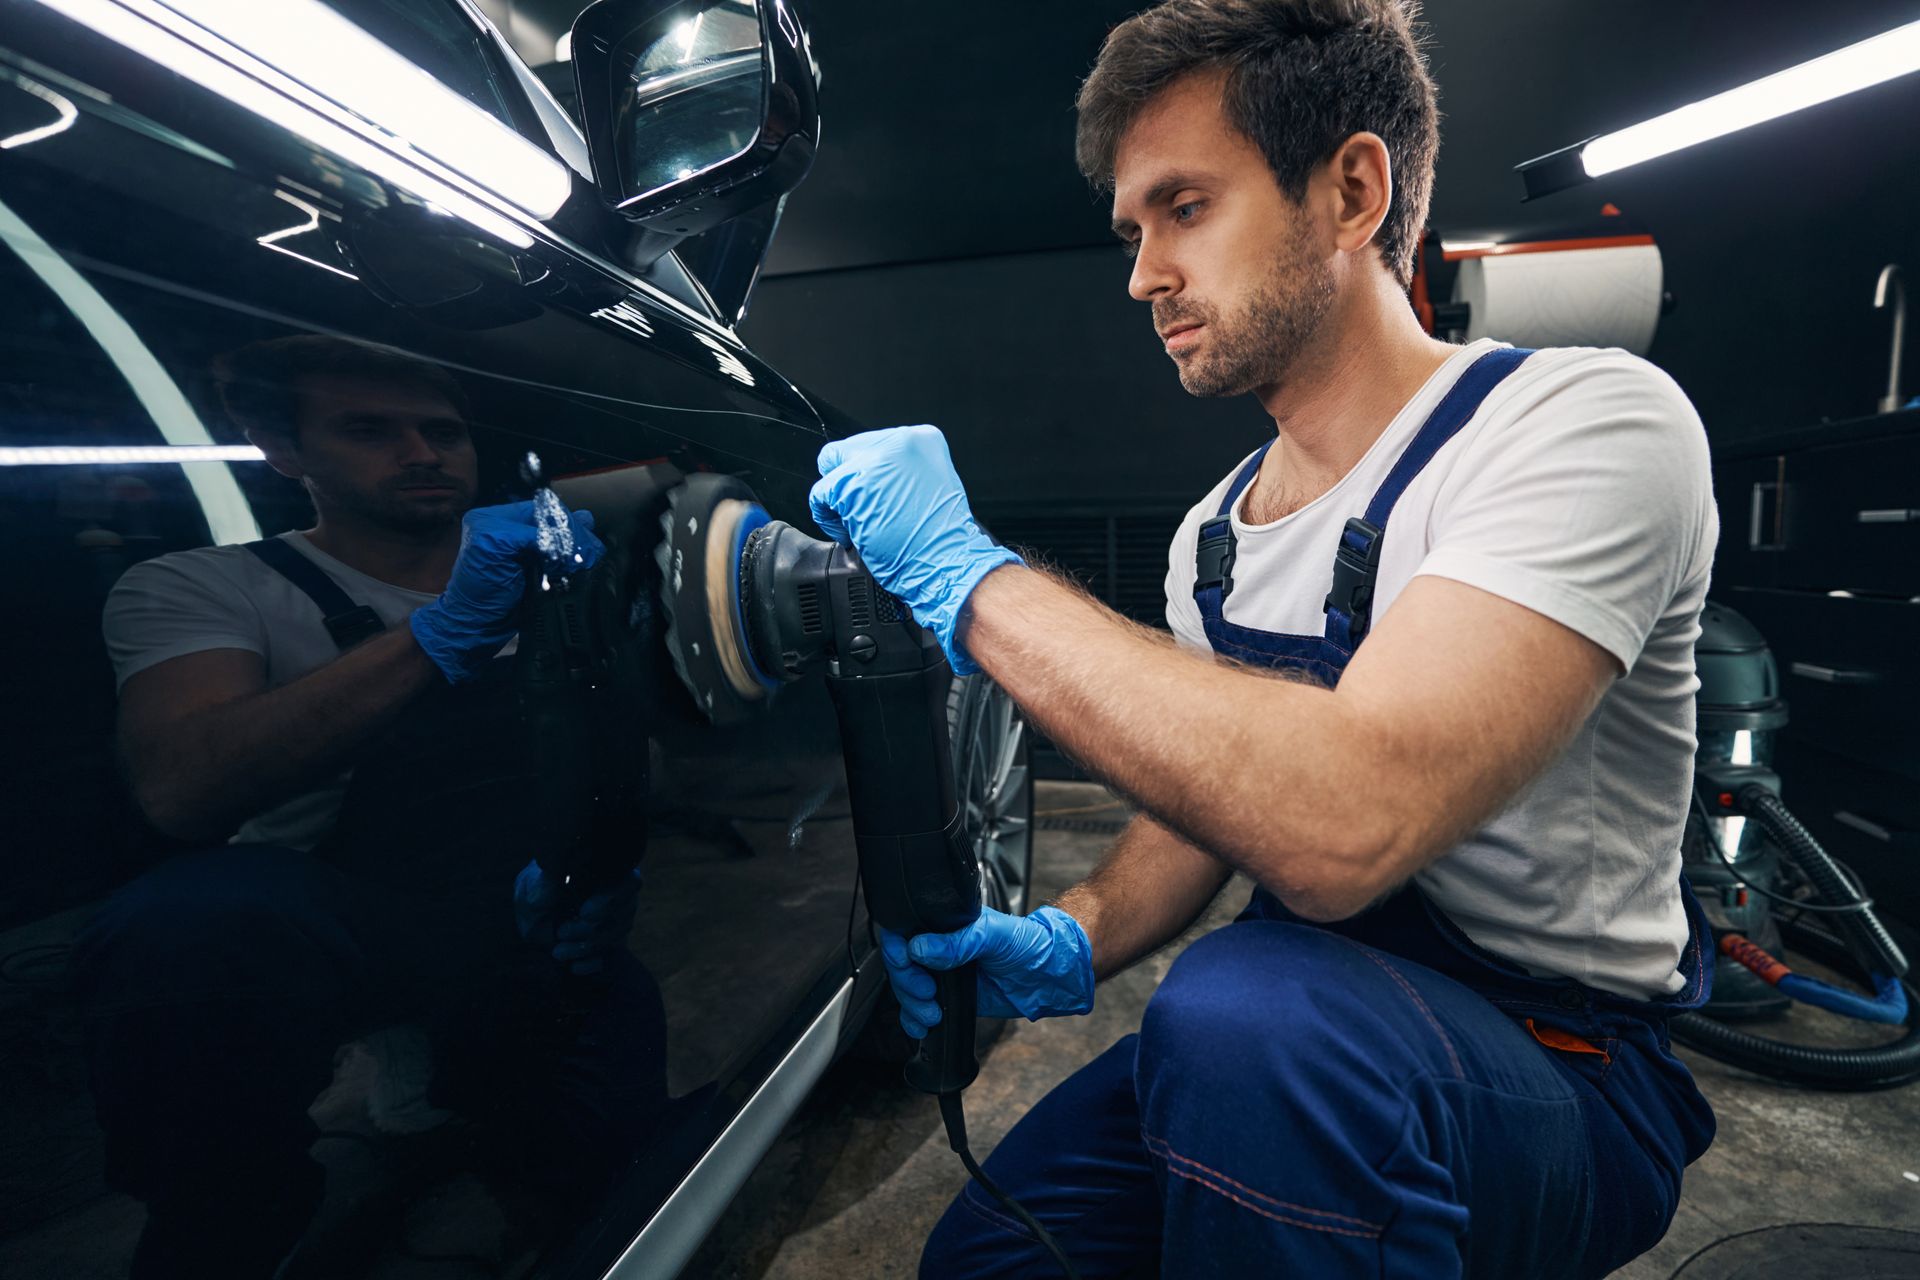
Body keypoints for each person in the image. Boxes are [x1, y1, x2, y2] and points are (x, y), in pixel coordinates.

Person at [809, 2, 1719, 1276]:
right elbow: (1211, 801)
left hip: (1559, 1069)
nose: (1142, 276)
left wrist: (972, 582)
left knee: (1245, 1010)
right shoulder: (1213, 536)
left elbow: (1349, 819)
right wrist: (1072, 934)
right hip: (1304, 1035)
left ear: (1351, 191)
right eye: (1133, 231)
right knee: (991, 1259)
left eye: (1185, 208)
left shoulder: (1581, 427)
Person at [75, 336, 657, 1280]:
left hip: (520, 917)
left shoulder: (551, 581)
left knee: (614, 1169)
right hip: (332, 923)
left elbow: (616, 747)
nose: (421, 453)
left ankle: (482, 1102)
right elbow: (181, 789)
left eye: (442, 432)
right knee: (182, 925)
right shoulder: (206, 586)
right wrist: (435, 635)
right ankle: (232, 1212)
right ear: (283, 450)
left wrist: (609, 868)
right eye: (368, 430)